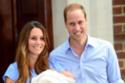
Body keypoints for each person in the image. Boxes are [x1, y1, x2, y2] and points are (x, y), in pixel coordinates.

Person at [49, 3, 124, 83]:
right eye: (72, 24)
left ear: (86, 21)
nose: (77, 28)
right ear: (66, 25)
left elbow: (116, 80)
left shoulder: (106, 48)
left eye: (80, 22)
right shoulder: (55, 57)